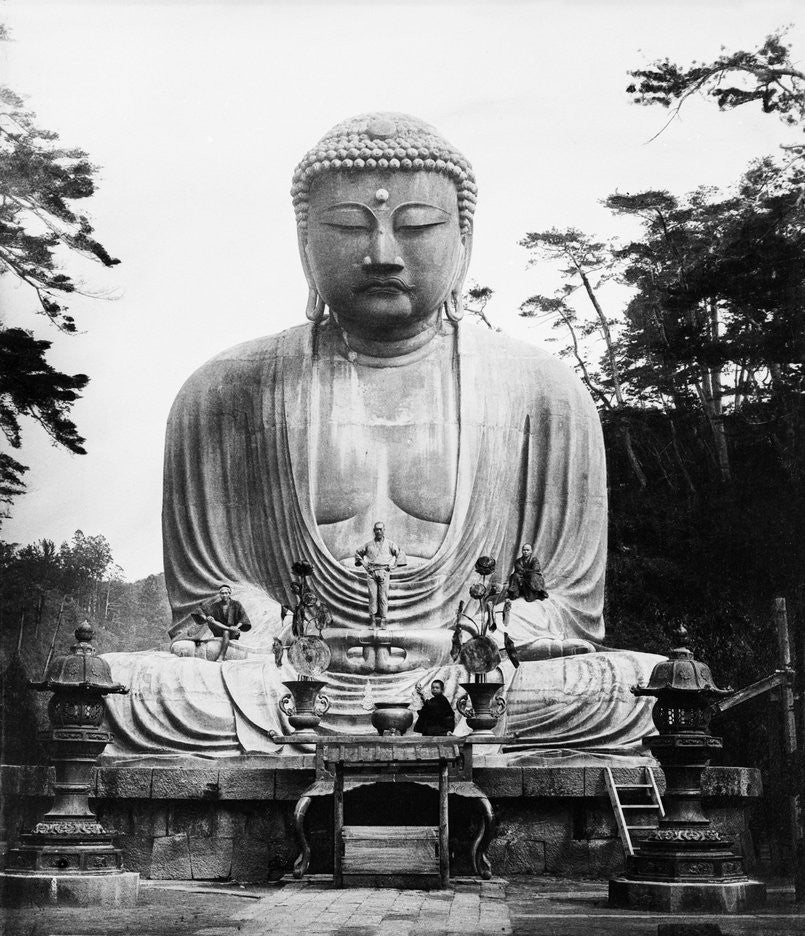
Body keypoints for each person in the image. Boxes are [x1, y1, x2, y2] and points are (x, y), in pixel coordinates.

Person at [103, 112, 660, 760]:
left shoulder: (543, 391)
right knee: (128, 686)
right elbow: (211, 602)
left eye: (417, 227)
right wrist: (268, 638)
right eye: (348, 227)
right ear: (304, 241)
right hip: (287, 681)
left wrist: (484, 638)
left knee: (637, 686)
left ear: (464, 239)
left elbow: (566, 608)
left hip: (475, 678)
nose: (383, 254)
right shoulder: (224, 392)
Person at [355, 522, 402, 628]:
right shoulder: (368, 544)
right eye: (377, 529)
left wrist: (393, 566)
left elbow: (400, 554)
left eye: (381, 529)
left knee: (383, 597)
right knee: (372, 597)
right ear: (374, 531)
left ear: (384, 530)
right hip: (371, 572)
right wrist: (364, 564)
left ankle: (383, 621)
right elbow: (358, 553)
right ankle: (372, 621)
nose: (379, 531)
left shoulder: (390, 544)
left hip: (384, 572)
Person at [193, 585, 251, 662]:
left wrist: (236, 627)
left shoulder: (236, 604)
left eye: (226, 593)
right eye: (222, 593)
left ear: (229, 593)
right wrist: (206, 618)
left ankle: (221, 656)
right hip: (219, 631)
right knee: (218, 625)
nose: (224, 595)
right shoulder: (215, 606)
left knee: (226, 632)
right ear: (220, 594)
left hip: (233, 632)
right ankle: (226, 631)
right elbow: (199, 609)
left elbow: (243, 618)